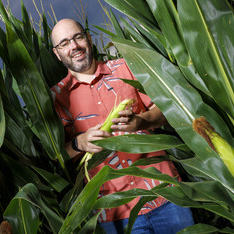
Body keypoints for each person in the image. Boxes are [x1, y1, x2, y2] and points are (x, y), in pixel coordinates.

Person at [50, 18, 194, 234]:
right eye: (64, 43)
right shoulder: (56, 98)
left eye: (78, 37)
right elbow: (54, 154)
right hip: (115, 212)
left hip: (166, 194)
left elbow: (166, 111)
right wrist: (78, 143)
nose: (74, 46)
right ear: (57, 53)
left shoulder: (126, 68)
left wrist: (141, 121)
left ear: (88, 39)